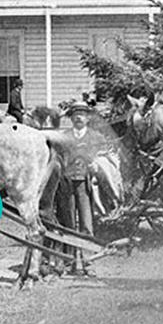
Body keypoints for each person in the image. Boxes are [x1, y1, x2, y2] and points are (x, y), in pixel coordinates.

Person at [63, 100, 99, 276]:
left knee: (86, 222)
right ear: (71, 118)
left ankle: (88, 263)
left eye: (82, 114)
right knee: (68, 223)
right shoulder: (64, 137)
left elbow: (105, 158)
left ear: (88, 117)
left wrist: (95, 165)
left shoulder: (95, 137)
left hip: (86, 184)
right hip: (67, 183)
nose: (79, 117)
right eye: (76, 114)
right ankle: (68, 262)